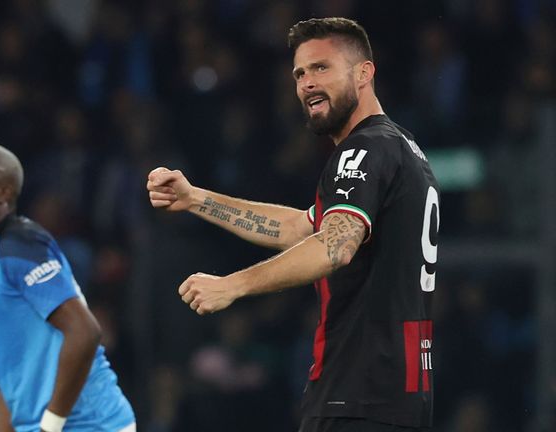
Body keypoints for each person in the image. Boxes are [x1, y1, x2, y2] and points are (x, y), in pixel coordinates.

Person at [147, 17, 438, 432]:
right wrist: (197, 199)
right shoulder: (401, 149)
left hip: (358, 395)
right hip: (396, 395)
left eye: (322, 67)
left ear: (364, 73)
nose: (306, 83)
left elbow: (334, 247)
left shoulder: (363, 151)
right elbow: (302, 229)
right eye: (300, 73)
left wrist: (233, 285)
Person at [0, 141, 135, 432]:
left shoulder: (20, 242)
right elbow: (13, 380)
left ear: (3, 192)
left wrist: (50, 427)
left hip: (90, 425)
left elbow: (85, 332)